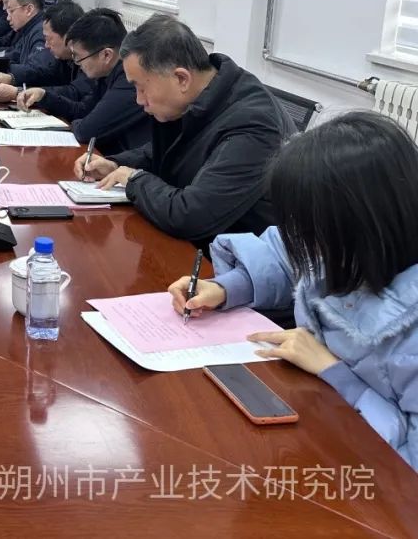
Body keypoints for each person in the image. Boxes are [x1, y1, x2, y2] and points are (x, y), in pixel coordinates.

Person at [167, 112, 418, 471]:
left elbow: (409, 467)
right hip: (318, 417)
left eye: (311, 231)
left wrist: (334, 372)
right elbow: (290, 254)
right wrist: (225, 288)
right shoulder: (349, 242)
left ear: (361, 223)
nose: (304, 242)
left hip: (366, 472)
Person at [76, 14, 295, 247]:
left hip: (234, 260)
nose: (139, 100)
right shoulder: (198, 97)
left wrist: (134, 180)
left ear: (181, 78)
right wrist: (115, 164)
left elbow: (192, 216)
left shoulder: (253, 124)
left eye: (141, 88)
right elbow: (165, 153)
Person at [19, 8, 151, 154]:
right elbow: (81, 110)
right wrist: (44, 96)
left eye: (78, 57)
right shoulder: (106, 74)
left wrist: (79, 122)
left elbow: (86, 132)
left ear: (106, 55)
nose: (77, 63)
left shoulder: (128, 81)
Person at [0, 0, 51, 103]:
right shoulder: (27, 29)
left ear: (29, 9)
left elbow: (38, 70)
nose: (8, 17)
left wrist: (11, 78)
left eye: (11, 11)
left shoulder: (41, 31)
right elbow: (14, 54)